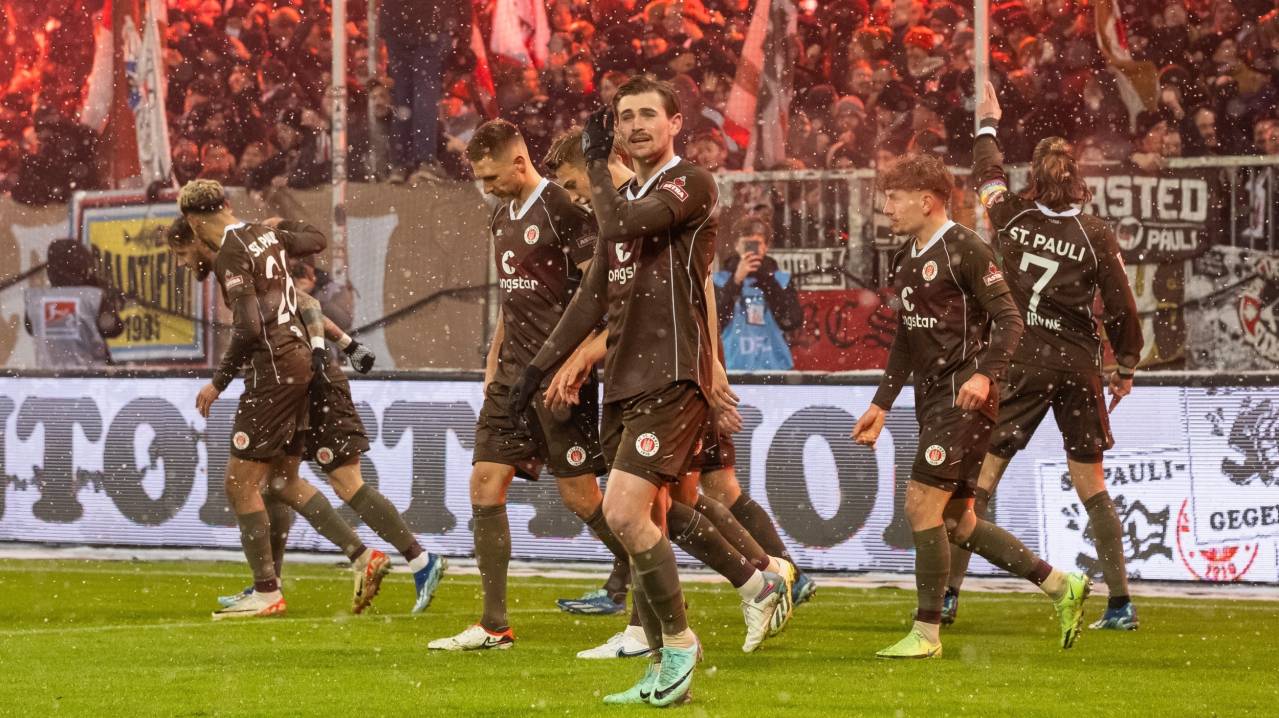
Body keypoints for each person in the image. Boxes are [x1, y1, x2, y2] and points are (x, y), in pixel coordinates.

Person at [513, 78, 785, 706]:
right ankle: (704, 629)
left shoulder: (689, 183)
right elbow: (591, 299)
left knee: (626, 513)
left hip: (672, 375)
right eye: (625, 116)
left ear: (675, 124)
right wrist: (537, 368)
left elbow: (620, 221)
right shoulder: (628, 196)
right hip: (624, 383)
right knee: (659, 516)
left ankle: (684, 645)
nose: (635, 125)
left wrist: (596, 166)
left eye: (646, 115)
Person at [851, 153, 1091, 659]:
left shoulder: (966, 249)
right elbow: (905, 336)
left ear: (926, 201)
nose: (886, 208)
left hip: (964, 399)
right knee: (958, 522)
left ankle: (926, 633)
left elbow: (1010, 319)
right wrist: (882, 402)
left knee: (921, 505)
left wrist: (985, 374)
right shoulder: (906, 256)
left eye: (894, 198)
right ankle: (1059, 584)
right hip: (933, 399)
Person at [947, 83, 1144, 630]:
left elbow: (987, 174)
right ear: (1077, 179)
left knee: (978, 483)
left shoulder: (1009, 215)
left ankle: (948, 596)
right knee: (1092, 485)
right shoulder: (1096, 234)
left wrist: (989, 123)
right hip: (1078, 366)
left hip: (1022, 362)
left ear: (1032, 177)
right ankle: (1121, 604)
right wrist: (1126, 364)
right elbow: (1123, 307)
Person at [427, 119, 626, 652]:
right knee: (484, 483)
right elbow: (513, 299)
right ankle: (495, 625)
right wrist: (494, 359)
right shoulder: (500, 216)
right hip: (513, 375)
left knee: (581, 496)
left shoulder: (564, 208)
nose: (486, 187)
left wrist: (578, 361)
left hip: (560, 376)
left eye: (492, 177)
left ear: (520, 162)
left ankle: (643, 568)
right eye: (480, 178)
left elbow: (601, 293)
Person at [167, 183, 387, 619]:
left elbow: (249, 328)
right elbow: (316, 240)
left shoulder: (231, 252)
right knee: (282, 482)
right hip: (299, 361)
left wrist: (218, 382)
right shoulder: (262, 235)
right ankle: (362, 556)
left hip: (274, 370)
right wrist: (281, 224)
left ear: (192, 220)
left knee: (239, 485)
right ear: (226, 204)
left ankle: (267, 591)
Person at [713, 217, 803, 371]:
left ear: (766, 246)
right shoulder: (720, 280)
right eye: (747, 245)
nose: (751, 250)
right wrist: (735, 281)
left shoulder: (780, 279)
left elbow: (792, 321)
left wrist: (768, 281)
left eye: (756, 244)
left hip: (775, 366)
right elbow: (715, 322)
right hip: (732, 367)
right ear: (736, 246)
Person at [24, 239, 124, 368]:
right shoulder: (92, 296)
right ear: (82, 266)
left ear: (50, 269)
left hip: (49, 375)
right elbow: (114, 329)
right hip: (91, 375)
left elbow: (31, 329)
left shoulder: (36, 299)